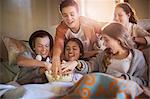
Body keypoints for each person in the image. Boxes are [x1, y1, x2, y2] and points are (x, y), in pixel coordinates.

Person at [62, 23, 148, 86]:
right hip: (103, 86)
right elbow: (90, 66)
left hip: (122, 88)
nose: (104, 44)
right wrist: (76, 63)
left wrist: (124, 78)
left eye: (106, 40)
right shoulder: (104, 54)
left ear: (118, 40)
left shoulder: (137, 56)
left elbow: (143, 81)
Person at [51, 0, 102, 77]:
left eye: (72, 14)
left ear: (78, 13)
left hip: (91, 59)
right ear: (62, 16)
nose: (69, 18)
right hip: (73, 61)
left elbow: (104, 29)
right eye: (65, 15)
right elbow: (58, 45)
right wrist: (56, 58)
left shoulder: (88, 23)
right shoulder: (61, 29)